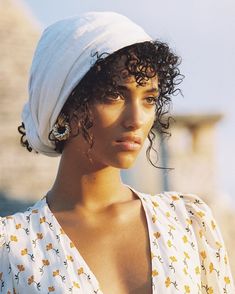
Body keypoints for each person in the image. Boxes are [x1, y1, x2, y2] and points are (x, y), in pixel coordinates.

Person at [0, 11, 234, 294]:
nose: (136, 118)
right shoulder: (13, 247)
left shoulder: (187, 222)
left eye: (149, 99)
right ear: (65, 105)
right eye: (114, 95)